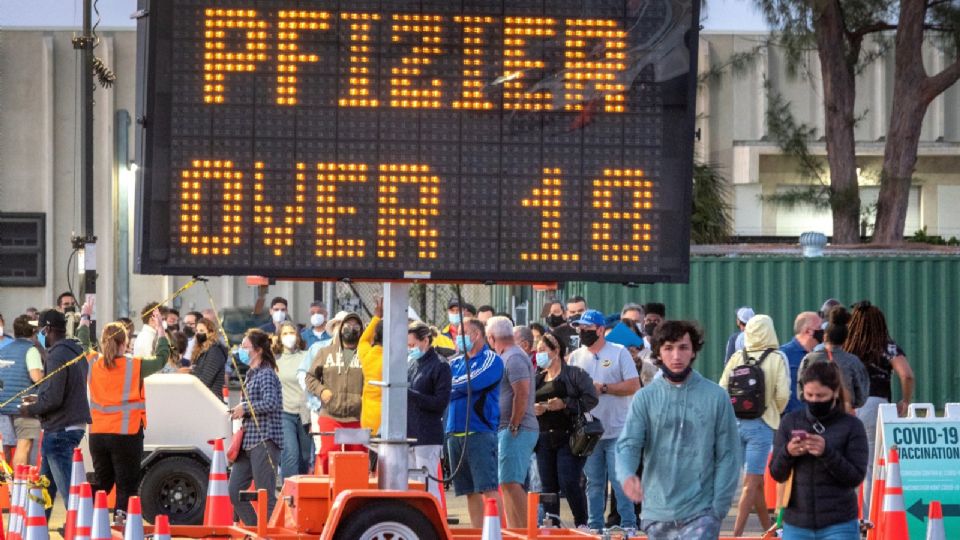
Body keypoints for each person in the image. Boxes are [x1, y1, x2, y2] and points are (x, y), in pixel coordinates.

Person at [616, 320, 741, 539]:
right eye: (668, 348)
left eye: (683, 347)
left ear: (693, 351)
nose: (676, 356)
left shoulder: (716, 397)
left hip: (702, 512)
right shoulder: (645, 398)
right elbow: (629, 444)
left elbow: (728, 455)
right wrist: (627, 475)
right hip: (657, 513)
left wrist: (718, 507)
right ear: (658, 353)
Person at [769, 361, 868, 539]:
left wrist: (827, 453)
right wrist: (788, 452)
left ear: (835, 393)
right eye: (810, 395)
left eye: (821, 396)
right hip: (797, 522)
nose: (814, 400)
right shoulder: (790, 422)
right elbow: (776, 473)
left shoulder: (851, 426)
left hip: (839, 522)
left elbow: (855, 477)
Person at [88, 318, 168, 523]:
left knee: (103, 482)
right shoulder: (135, 366)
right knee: (126, 483)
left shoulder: (92, 362)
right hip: (126, 433)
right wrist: (160, 331)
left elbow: (81, 343)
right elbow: (161, 359)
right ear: (125, 343)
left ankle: (81, 507)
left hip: (98, 433)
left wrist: (84, 318)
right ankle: (121, 521)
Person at [568, 309, 641, 532]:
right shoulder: (576, 356)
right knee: (594, 483)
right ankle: (596, 527)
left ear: (600, 329)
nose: (582, 332)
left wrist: (604, 388)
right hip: (589, 432)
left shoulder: (619, 352)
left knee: (620, 482)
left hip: (618, 429)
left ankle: (629, 525)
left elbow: (633, 385)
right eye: (580, 329)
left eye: (587, 329)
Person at [719, 314, 791, 536]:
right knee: (751, 482)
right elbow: (783, 394)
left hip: (734, 423)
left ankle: (765, 529)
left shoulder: (737, 357)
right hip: (761, 424)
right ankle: (737, 533)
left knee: (755, 481)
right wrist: (773, 412)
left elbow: (722, 389)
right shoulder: (777, 358)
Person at [844, 301, 914, 513]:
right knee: (871, 465)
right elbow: (907, 374)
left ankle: (847, 516)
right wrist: (906, 400)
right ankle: (867, 517)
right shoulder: (887, 346)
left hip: (846, 405)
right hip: (875, 404)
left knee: (847, 462)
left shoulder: (847, 345)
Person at [19, 309, 92, 512]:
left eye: (39, 331)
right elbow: (63, 391)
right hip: (69, 425)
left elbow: (54, 398)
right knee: (45, 491)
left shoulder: (56, 355)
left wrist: (30, 409)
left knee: (71, 495)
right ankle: (38, 529)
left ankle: (84, 528)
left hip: (60, 429)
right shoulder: (75, 351)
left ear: (48, 329)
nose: (37, 336)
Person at [533, 332, 598, 528]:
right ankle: (552, 524)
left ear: (556, 350)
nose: (539, 354)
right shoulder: (538, 378)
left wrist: (565, 404)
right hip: (544, 438)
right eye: (537, 351)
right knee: (548, 486)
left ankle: (581, 522)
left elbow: (591, 399)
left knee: (568, 480)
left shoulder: (575, 374)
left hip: (569, 437)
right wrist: (534, 409)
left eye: (543, 350)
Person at [445, 318, 504, 528]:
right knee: (468, 492)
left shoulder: (491, 360)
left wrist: (451, 388)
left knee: (488, 489)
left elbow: (472, 383)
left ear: (476, 335)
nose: (457, 337)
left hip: (479, 432)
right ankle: (478, 533)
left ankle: (498, 533)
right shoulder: (455, 362)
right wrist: (451, 389)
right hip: (454, 434)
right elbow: (443, 388)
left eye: (462, 333)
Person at [486, 315, 538, 528]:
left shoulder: (514, 357)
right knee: (507, 483)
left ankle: (526, 530)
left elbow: (522, 393)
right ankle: (517, 530)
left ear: (491, 337)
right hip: (511, 427)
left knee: (511, 482)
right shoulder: (509, 355)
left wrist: (514, 424)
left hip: (517, 428)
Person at [228, 329, 283, 525]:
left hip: (265, 440)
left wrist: (245, 408)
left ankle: (272, 533)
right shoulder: (251, 374)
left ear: (258, 350)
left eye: (245, 347)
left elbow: (271, 402)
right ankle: (254, 531)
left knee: (265, 495)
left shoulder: (266, 373)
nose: (241, 350)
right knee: (234, 491)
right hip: (248, 442)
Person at [305, 311, 365, 474]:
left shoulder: (366, 354)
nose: (351, 329)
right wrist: (321, 390)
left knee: (358, 459)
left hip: (358, 417)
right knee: (327, 454)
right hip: (331, 415)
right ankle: (325, 493)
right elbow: (309, 377)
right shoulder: (325, 353)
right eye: (347, 325)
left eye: (355, 326)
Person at [406, 321, 452, 503]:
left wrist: (411, 394)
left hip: (426, 434)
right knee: (411, 486)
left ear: (425, 341)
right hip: (409, 433)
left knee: (428, 486)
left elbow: (440, 402)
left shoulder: (440, 365)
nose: (410, 349)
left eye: (412, 345)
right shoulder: (412, 364)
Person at [797, 306, 870, 411]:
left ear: (825, 336)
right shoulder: (853, 362)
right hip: (843, 415)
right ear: (845, 339)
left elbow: (800, 393)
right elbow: (861, 397)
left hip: (814, 415)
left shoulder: (808, 359)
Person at [275, 321, 312, 479]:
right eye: (285, 333)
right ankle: (289, 497)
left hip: (305, 413)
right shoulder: (275, 359)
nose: (289, 337)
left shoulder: (307, 356)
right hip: (284, 413)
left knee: (304, 457)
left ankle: (302, 491)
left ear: (298, 336)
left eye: (292, 333)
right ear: (279, 337)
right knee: (290, 454)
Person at [9, 315, 44, 466]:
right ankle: (19, 486)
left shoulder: (5, 348)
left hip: (5, 404)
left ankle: (14, 484)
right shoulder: (31, 350)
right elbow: (36, 377)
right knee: (24, 445)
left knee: (12, 446)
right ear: (33, 332)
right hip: (23, 404)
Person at [780, 312, 823, 413]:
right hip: (792, 420)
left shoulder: (818, 356)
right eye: (819, 327)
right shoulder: (783, 354)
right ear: (808, 331)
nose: (823, 331)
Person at [359, 300, 384, 439]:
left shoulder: (367, 355)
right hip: (387, 419)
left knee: (372, 458)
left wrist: (376, 317)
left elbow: (363, 340)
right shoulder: (394, 359)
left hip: (368, 417)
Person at [191, 318, 227, 398]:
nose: (198, 333)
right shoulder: (201, 351)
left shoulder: (215, 351)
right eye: (196, 331)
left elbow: (206, 379)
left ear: (211, 332)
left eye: (201, 331)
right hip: (201, 397)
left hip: (211, 399)